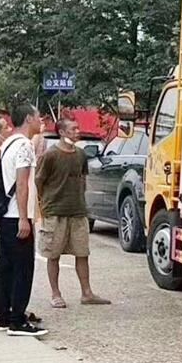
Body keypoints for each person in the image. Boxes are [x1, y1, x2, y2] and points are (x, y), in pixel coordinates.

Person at [36, 117, 110, 307]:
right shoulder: (50, 155)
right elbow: (39, 181)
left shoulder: (80, 154)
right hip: (55, 211)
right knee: (53, 254)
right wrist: (43, 204)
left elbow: (82, 178)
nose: (78, 131)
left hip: (77, 211)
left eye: (78, 128)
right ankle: (55, 293)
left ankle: (87, 293)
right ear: (62, 132)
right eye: (73, 129)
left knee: (82, 252)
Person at [0, 103, 47, 336]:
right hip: (17, 215)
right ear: (28, 118)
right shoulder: (24, 145)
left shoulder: (7, 143)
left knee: (5, 266)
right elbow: (23, 183)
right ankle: (18, 320)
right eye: (38, 117)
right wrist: (25, 218)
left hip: (4, 215)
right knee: (23, 269)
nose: (41, 121)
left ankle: (3, 316)